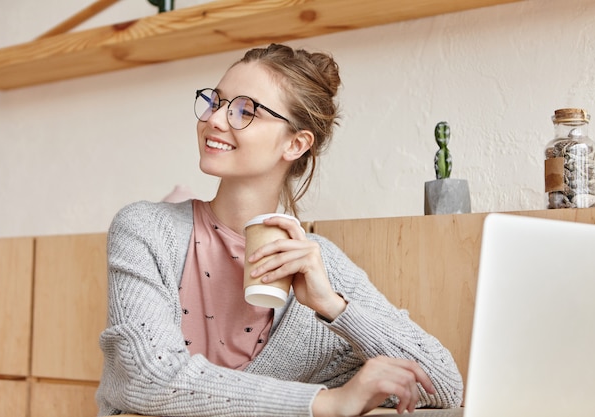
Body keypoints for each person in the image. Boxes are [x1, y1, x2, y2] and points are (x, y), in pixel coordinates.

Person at [96, 43, 463, 417]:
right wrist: (327, 402)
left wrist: (332, 306)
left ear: (295, 143)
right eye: (216, 102)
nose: (216, 120)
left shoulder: (319, 265)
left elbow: (442, 384)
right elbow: (148, 378)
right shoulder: (145, 230)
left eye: (244, 110)